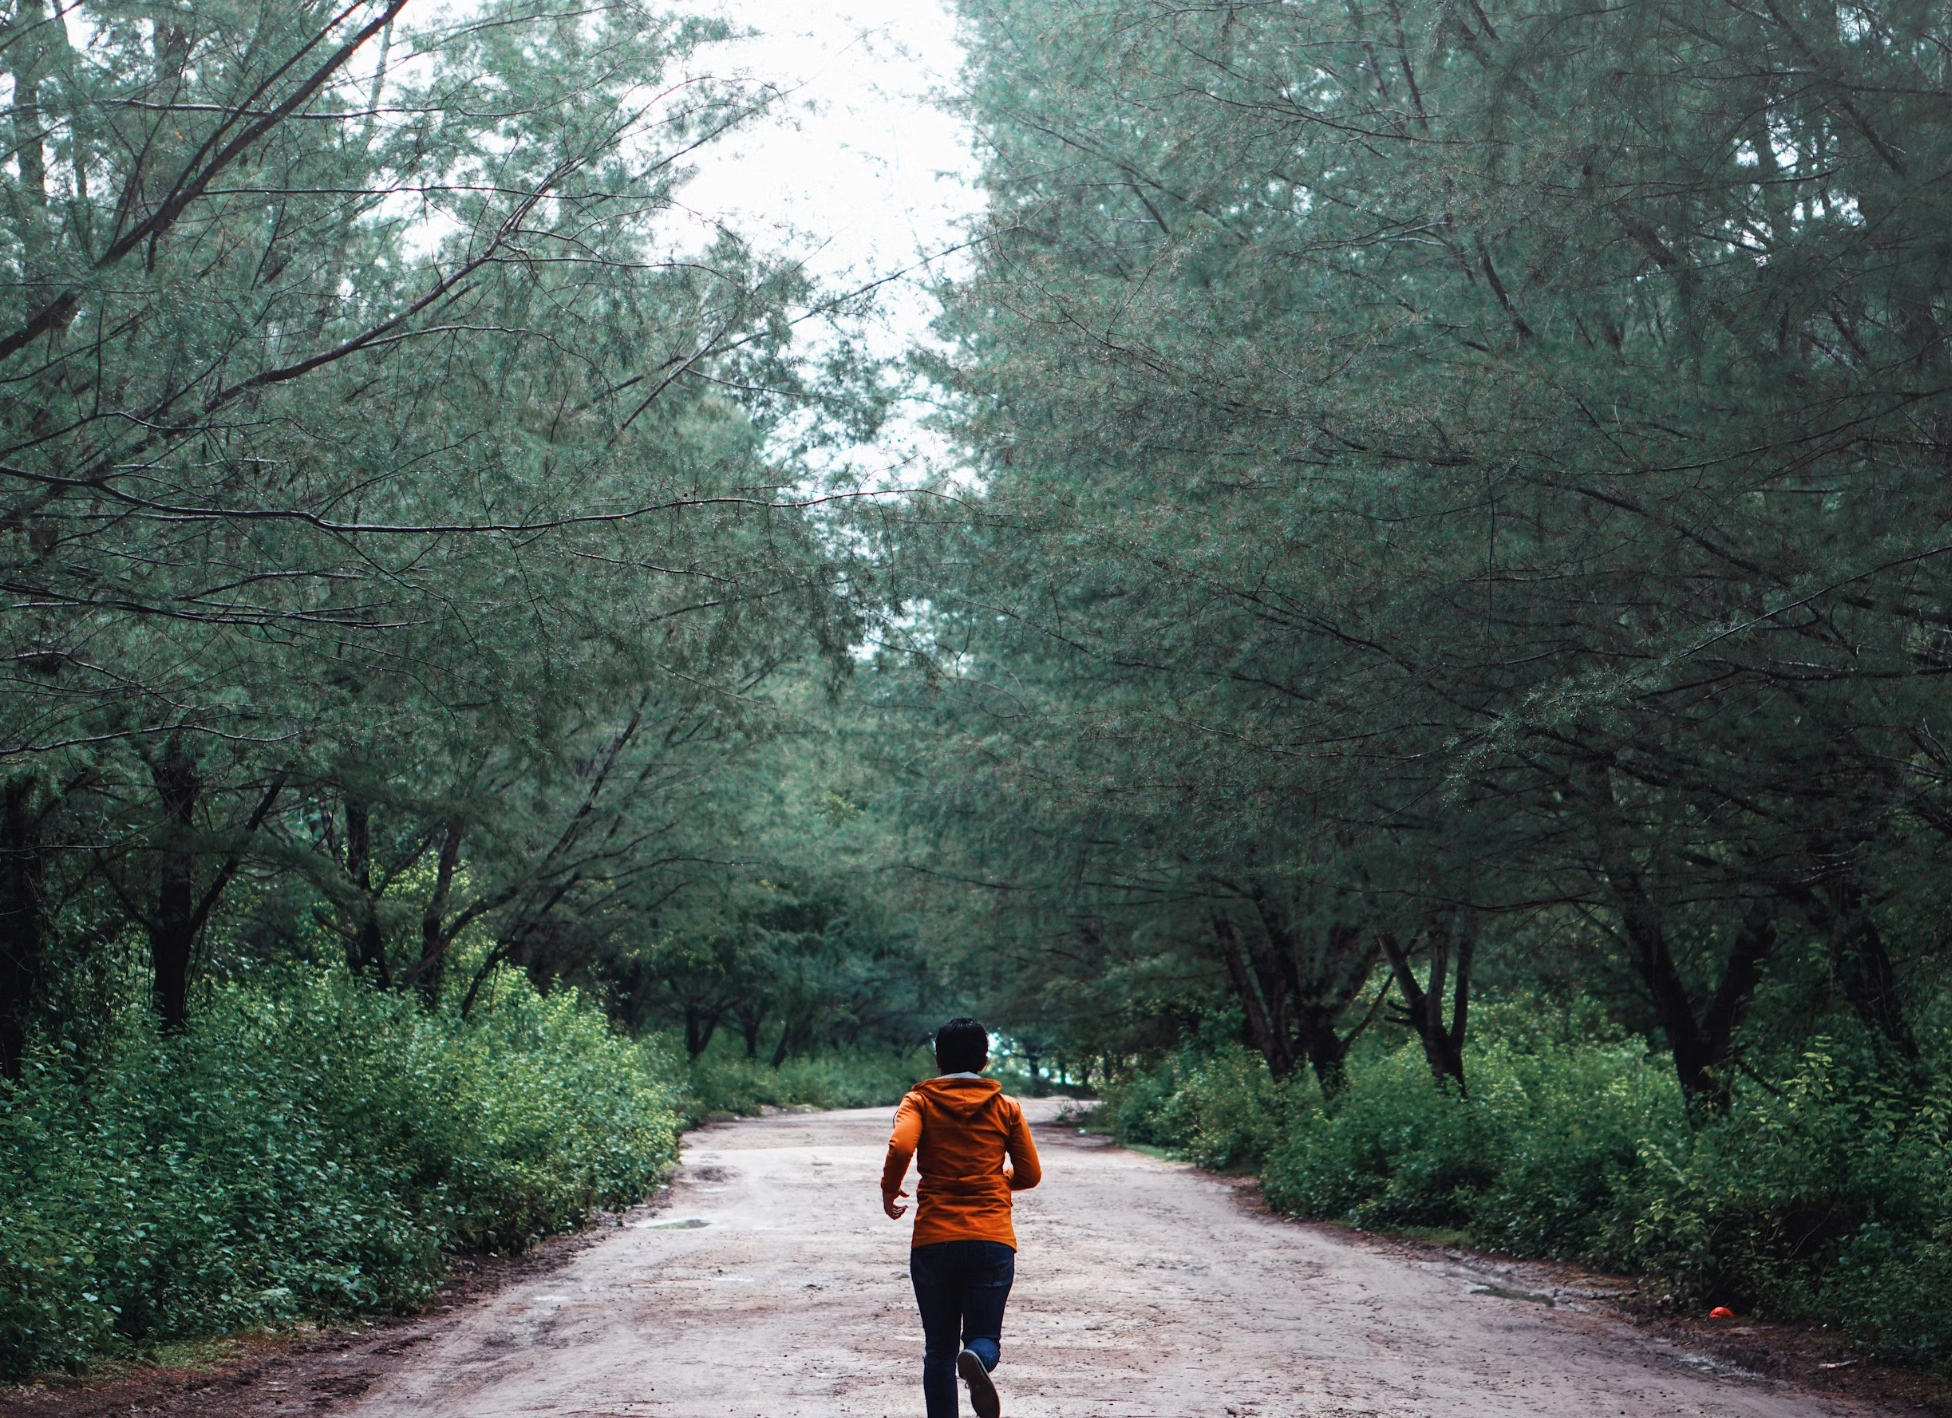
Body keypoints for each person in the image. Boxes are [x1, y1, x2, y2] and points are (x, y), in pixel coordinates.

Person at [881, 1018, 1042, 1418]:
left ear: (938, 1060)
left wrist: (890, 1189)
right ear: (985, 1060)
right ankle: (977, 1357)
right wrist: (999, 1177)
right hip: (992, 1239)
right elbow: (1030, 1175)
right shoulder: (1006, 1107)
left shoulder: (919, 1101)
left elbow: (902, 1144)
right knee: (985, 1336)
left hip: (935, 1239)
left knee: (938, 1348)